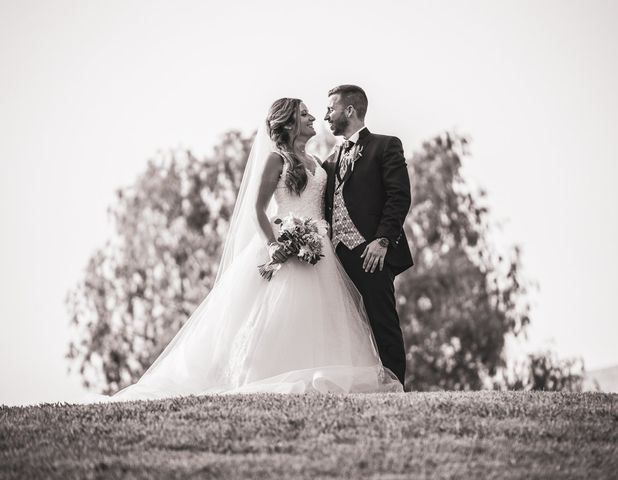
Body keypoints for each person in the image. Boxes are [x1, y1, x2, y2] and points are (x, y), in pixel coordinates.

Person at [109, 97, 402, 401]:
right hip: (287, 246)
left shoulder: (319, 161)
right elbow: (257, 210)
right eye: (304, 114)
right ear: (289, 123)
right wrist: (275, 243)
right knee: (282, 313)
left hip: (322, 249)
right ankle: (271, 373)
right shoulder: (277, 159)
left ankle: (322, 374)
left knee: (323, 316)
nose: (314, 117)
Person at [323, 85, 413, 386]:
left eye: (330, 108)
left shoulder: (385, 146)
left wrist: (383, 240)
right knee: (343, 325)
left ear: (349, 110)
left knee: (382, 320)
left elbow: (399, 197)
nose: (326, 115)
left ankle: (396, 385)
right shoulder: (329, 160)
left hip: (372, 252)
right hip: (335, 257)